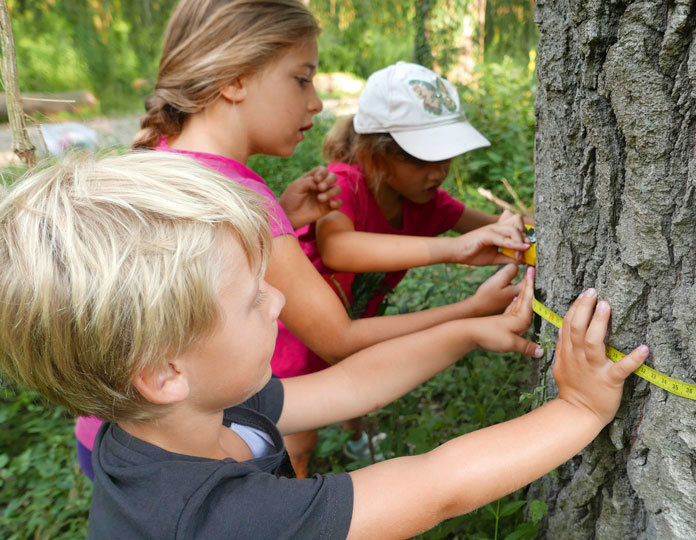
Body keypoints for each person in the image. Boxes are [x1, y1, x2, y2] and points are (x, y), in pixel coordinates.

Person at [0, 151, 650, 539]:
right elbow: (434, 486)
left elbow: (346, 388)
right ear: (165, 372)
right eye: (254, 300)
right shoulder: (219, 521)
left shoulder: (179, 417)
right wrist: (577, 411)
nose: (278, 301)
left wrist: (465, 330)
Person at [74, 0, 531, 478]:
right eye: (302, 78)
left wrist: (283, 221)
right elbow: (339, 340)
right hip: (189, 458)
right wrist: (471, 311)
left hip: (110, 438)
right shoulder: (237, 196)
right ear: (233, 79)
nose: (315, 101)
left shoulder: (162, 163)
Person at [276, 61, 534, 474]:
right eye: (421, 160)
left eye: (446, 159)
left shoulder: (428, 203)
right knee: (296, 436)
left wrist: (514, 228)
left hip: (356, 323)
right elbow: (340, 248)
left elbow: (492, 226)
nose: (437, 173)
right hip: (295, 330)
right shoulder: (344, 184)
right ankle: (289, 500)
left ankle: (355, 441)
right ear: (374, 154)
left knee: (355, 382)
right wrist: (454, 249)